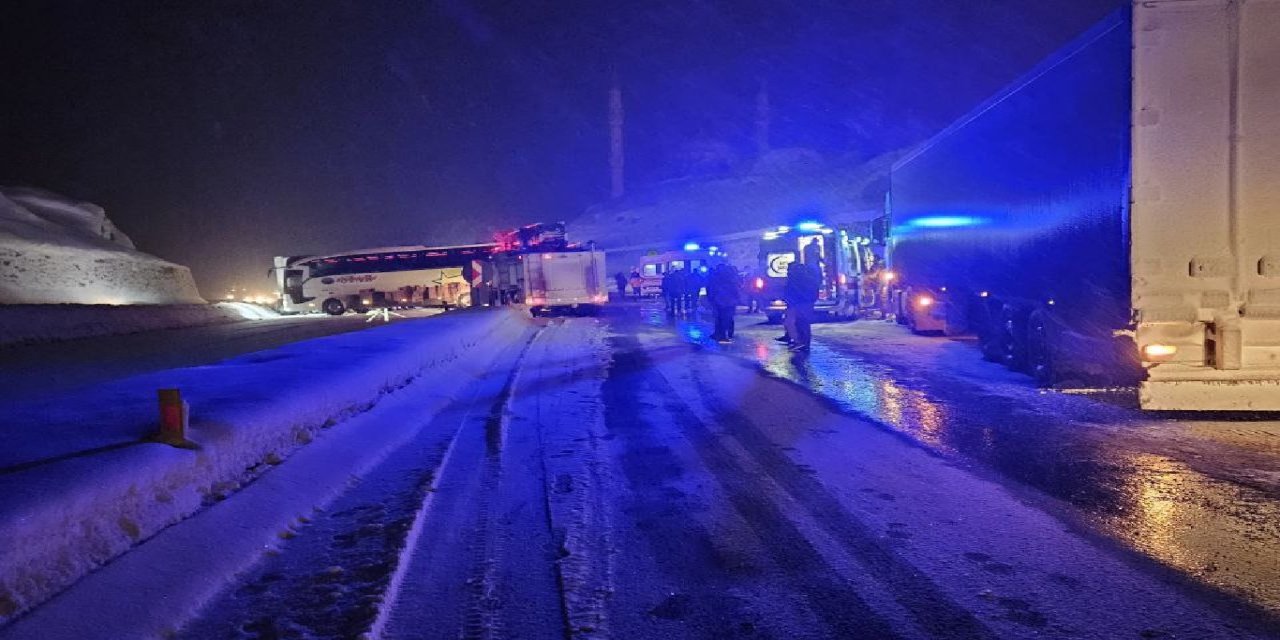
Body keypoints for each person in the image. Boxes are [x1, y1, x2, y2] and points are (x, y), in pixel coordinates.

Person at [787, 261, 821, 352]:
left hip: (798, 303)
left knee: (800, 323)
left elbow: (791, 292)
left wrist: (792, 302)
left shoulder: (795, 279)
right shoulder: (809, 279)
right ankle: (803, 343)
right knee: (803, 323)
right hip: (805, 303)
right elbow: (815, 291)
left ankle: (801, 342)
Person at [706, 263, 741, 343]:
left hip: (721, 301)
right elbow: (736, 290)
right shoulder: (732, 279)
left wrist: (711, 299)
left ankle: (722, 335)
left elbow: (712, 289)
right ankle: (726, 334)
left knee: (722, 318)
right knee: (726, 318)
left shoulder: (718, 279)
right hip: (727, 301)